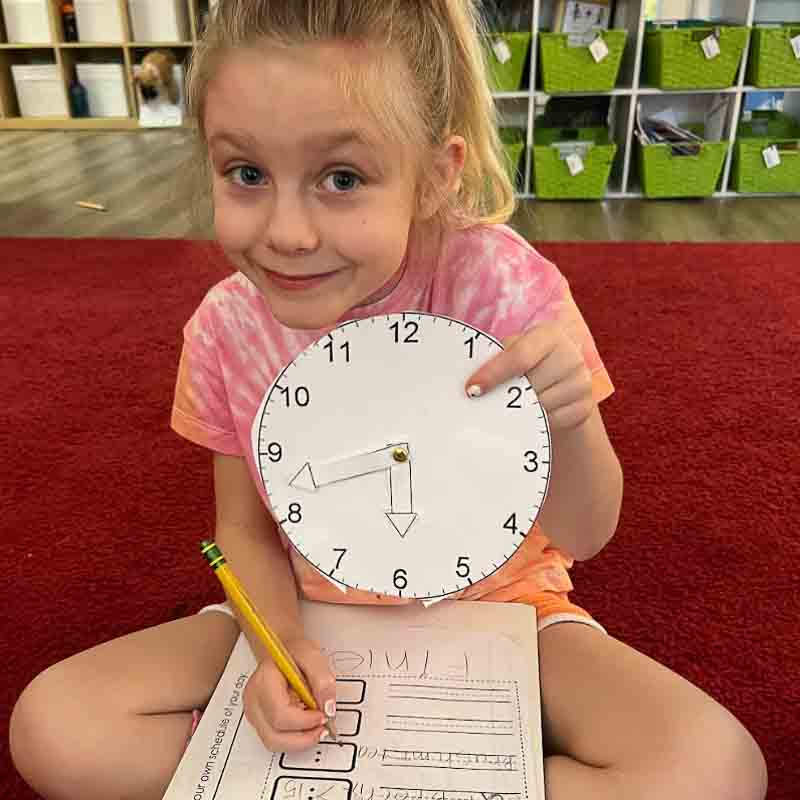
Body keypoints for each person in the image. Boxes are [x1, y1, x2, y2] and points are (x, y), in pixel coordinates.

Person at [10, 2, 767, 799]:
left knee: (714, 769)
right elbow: (242, 528)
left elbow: (585, 531)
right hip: (308, 609)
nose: (288, 231)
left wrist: (570, 421)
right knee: (56, 723)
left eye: (342, 179)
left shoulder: (500, 286)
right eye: (246, 174)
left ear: (437, 173)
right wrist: (281, 647)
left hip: (504, 608)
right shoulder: (226, 329)